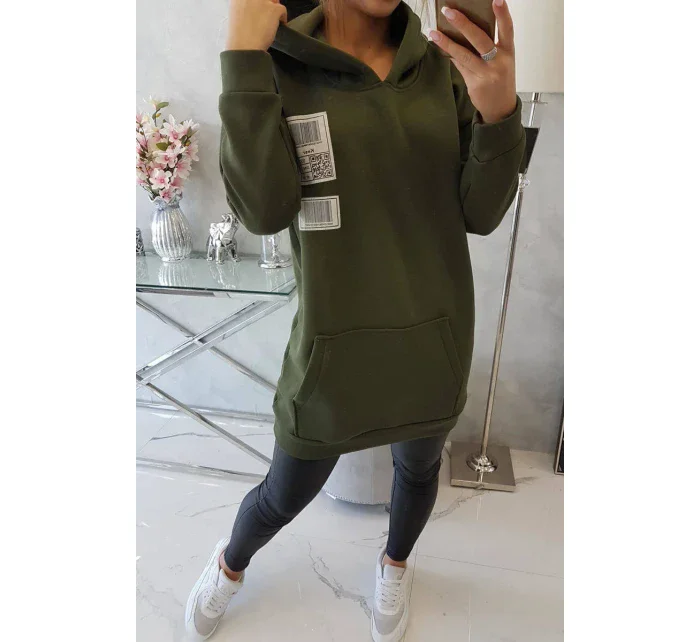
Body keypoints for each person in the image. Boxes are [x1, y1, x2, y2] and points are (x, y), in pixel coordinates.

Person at [186, 0, 524, 639]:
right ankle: (231, 564)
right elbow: (263, 211)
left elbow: (480, 214)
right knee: (283, 494)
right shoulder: (279, 65)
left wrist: (499, 113)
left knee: (418, 473)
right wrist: (243, 58)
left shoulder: (441, 68)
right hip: (332, 349)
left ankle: (395, 564)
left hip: (433, 340)